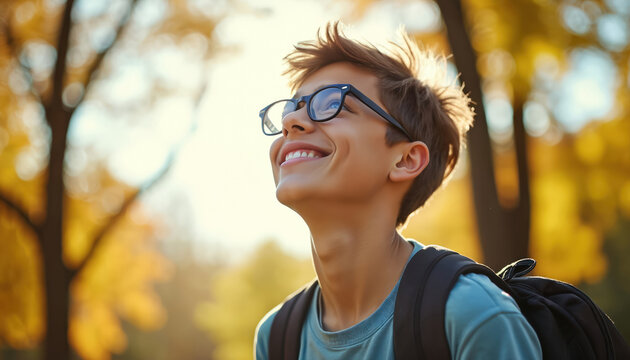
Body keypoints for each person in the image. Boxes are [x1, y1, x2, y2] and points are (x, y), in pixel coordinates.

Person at [254, 22, 542, 359]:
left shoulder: (472, 315)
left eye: (333, 104)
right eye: (292, 108)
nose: (292, 122)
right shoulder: (276, 338)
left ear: (406, 159)